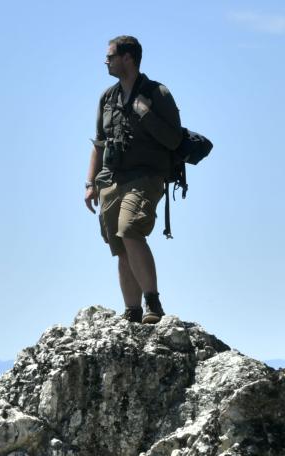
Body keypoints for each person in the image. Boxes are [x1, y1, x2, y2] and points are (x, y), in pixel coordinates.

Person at [83, 35, 183, 324]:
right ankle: (133, 312)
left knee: (130, 230)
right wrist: (90, 184)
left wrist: (145, 113)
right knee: (119, 244)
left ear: (127, 58)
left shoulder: (157, 93)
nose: (106, 61)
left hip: (146, 176)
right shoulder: (108, 97)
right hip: (111, 179)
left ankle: (153, 303)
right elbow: (99, 144)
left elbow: (174, 140)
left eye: (110, 56)